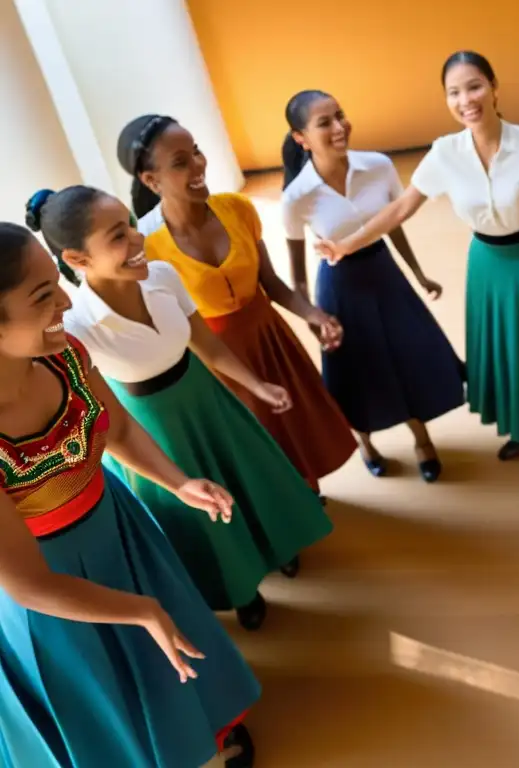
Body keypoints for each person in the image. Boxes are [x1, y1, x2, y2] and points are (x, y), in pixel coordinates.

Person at [0, 222, 259, 767]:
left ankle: (202, 738)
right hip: (50, 589)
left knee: (168, 655)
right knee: (103, 690)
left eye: (58, 284)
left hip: (116, 527)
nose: (66, 303)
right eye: (44, 296)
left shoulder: (62, 353)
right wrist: (138, 609)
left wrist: (178, 482)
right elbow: (25, 584)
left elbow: (114, 427)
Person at [27, 184, 335, 631]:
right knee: (202, 514)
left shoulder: (163, 275)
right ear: (77, 259)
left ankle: (277, 549)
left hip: (207, 399)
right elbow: (100, 410)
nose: (136, 240)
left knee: (251, 483)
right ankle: (242, 588)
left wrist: (257, 385)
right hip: (154, 427)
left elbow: (205, 342)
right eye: (117, 236)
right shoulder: (77, 326)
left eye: (131, 225)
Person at [315, 51, 519, 460]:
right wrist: (348, 243)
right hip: (486, 262)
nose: (466, 100)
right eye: (454, 92)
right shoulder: (444, 154)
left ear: (494, 88)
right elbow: (402, 208)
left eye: (474, 86)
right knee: (506, 350)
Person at [116, 114, 357, 497]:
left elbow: (271, 282)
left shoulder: (238, 209)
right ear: (151, 180)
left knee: (293, 429)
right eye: (180, 162)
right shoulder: (146, 243)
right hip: (212, 359)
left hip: (269, 337)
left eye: (196, 151)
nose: (198, 165)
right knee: (252, 444)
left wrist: (314, 314)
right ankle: (285, 517)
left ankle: (305, 500)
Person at [281, 89, 465, 481]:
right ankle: (366, 443)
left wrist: (417, 274)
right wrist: (314, 317)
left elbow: (392, 221)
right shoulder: (296, 197)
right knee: (356, 372)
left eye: (340, 115)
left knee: (407, 356)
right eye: (323, 122)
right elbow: (296, 274)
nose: (339, 126)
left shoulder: (377, 166)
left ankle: (422, 439)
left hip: (384, 274)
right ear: (301, 138)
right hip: (340, 285)